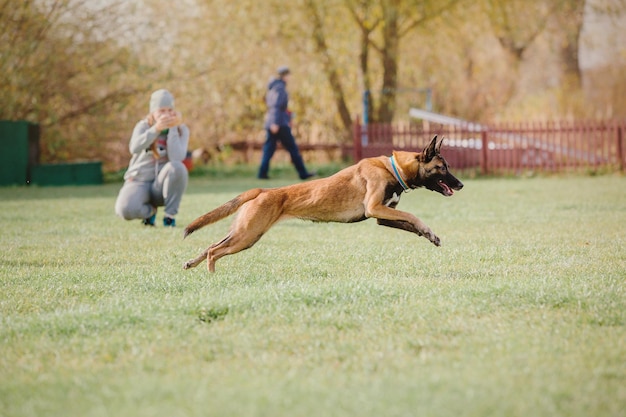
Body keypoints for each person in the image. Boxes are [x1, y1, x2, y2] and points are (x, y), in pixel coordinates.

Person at [115, 89, 189, 227]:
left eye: (169, 110)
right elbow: (134, 148)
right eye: (161, 110)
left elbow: (177, 157)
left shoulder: (181, 130)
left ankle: (169, 216)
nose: (166, 114)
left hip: (161, 187)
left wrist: (173, 129)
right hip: (139, 181)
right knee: (125, 210)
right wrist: (156, 129)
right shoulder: (143, 126)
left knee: (178, 167)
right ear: (153, 112)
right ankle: (150, 213)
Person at [258, 66, 315, 180]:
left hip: (273, 122)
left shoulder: (273, 88)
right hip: (279, 123)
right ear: (285, 76)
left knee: (269, 149)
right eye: (288, 75)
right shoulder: (280, 88)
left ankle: (262, 173)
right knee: (292, 148)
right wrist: (275, 122)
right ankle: (303, 173)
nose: (289, 77)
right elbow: (276, 106)